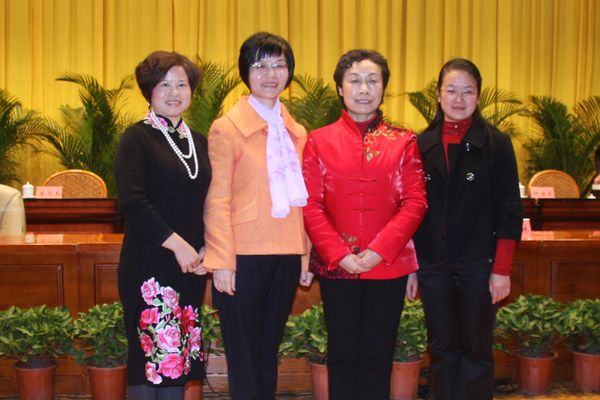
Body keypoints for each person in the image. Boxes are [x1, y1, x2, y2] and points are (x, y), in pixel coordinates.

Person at [302, 49, 428, 400]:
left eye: (373, 80)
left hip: (388, 264)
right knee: (341, 354)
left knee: (378, 355)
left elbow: (415, 202)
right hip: (338, 265)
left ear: (383, 88)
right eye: (354, 80)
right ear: (340, 88)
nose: (363, 89)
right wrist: (339, 253)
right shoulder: (318, 140)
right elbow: (310, 204)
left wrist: (378, 251)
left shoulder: (404, 141)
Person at [203, 32, 311, 400]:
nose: (270, 74)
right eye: (260, 65)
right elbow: (217, 198)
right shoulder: (226, 128)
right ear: (245, 72)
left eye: (278, 65)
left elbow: (304, 201)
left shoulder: (297, 132)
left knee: (268, 350)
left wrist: (305, 256)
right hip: (242, 255)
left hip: (286, 252)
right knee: (244, 354)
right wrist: (222, 260)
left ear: (289, 72)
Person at [413, 58, 523, 400]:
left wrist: (501, 270)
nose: (459, 99)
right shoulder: (421, 144)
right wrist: (411, 265)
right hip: (433, 264)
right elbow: (410, 210)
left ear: (478, 96)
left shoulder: (496, 144)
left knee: (476, 348)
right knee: (441, 347)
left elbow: (509, 209)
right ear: (438, 95)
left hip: (479, 264)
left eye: (468, 91)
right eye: (451, 90)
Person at [114, 51, 211, 400]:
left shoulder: (198, 141)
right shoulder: (136, 138)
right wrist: (179, 245)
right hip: (149, 265)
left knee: (176, 362)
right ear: (149, 91)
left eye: (181, 84)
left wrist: (206, 247)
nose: (174, 93)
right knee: (150, 358)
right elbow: (132, 203)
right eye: (164, 85)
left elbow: (208, 202)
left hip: (189, 268)